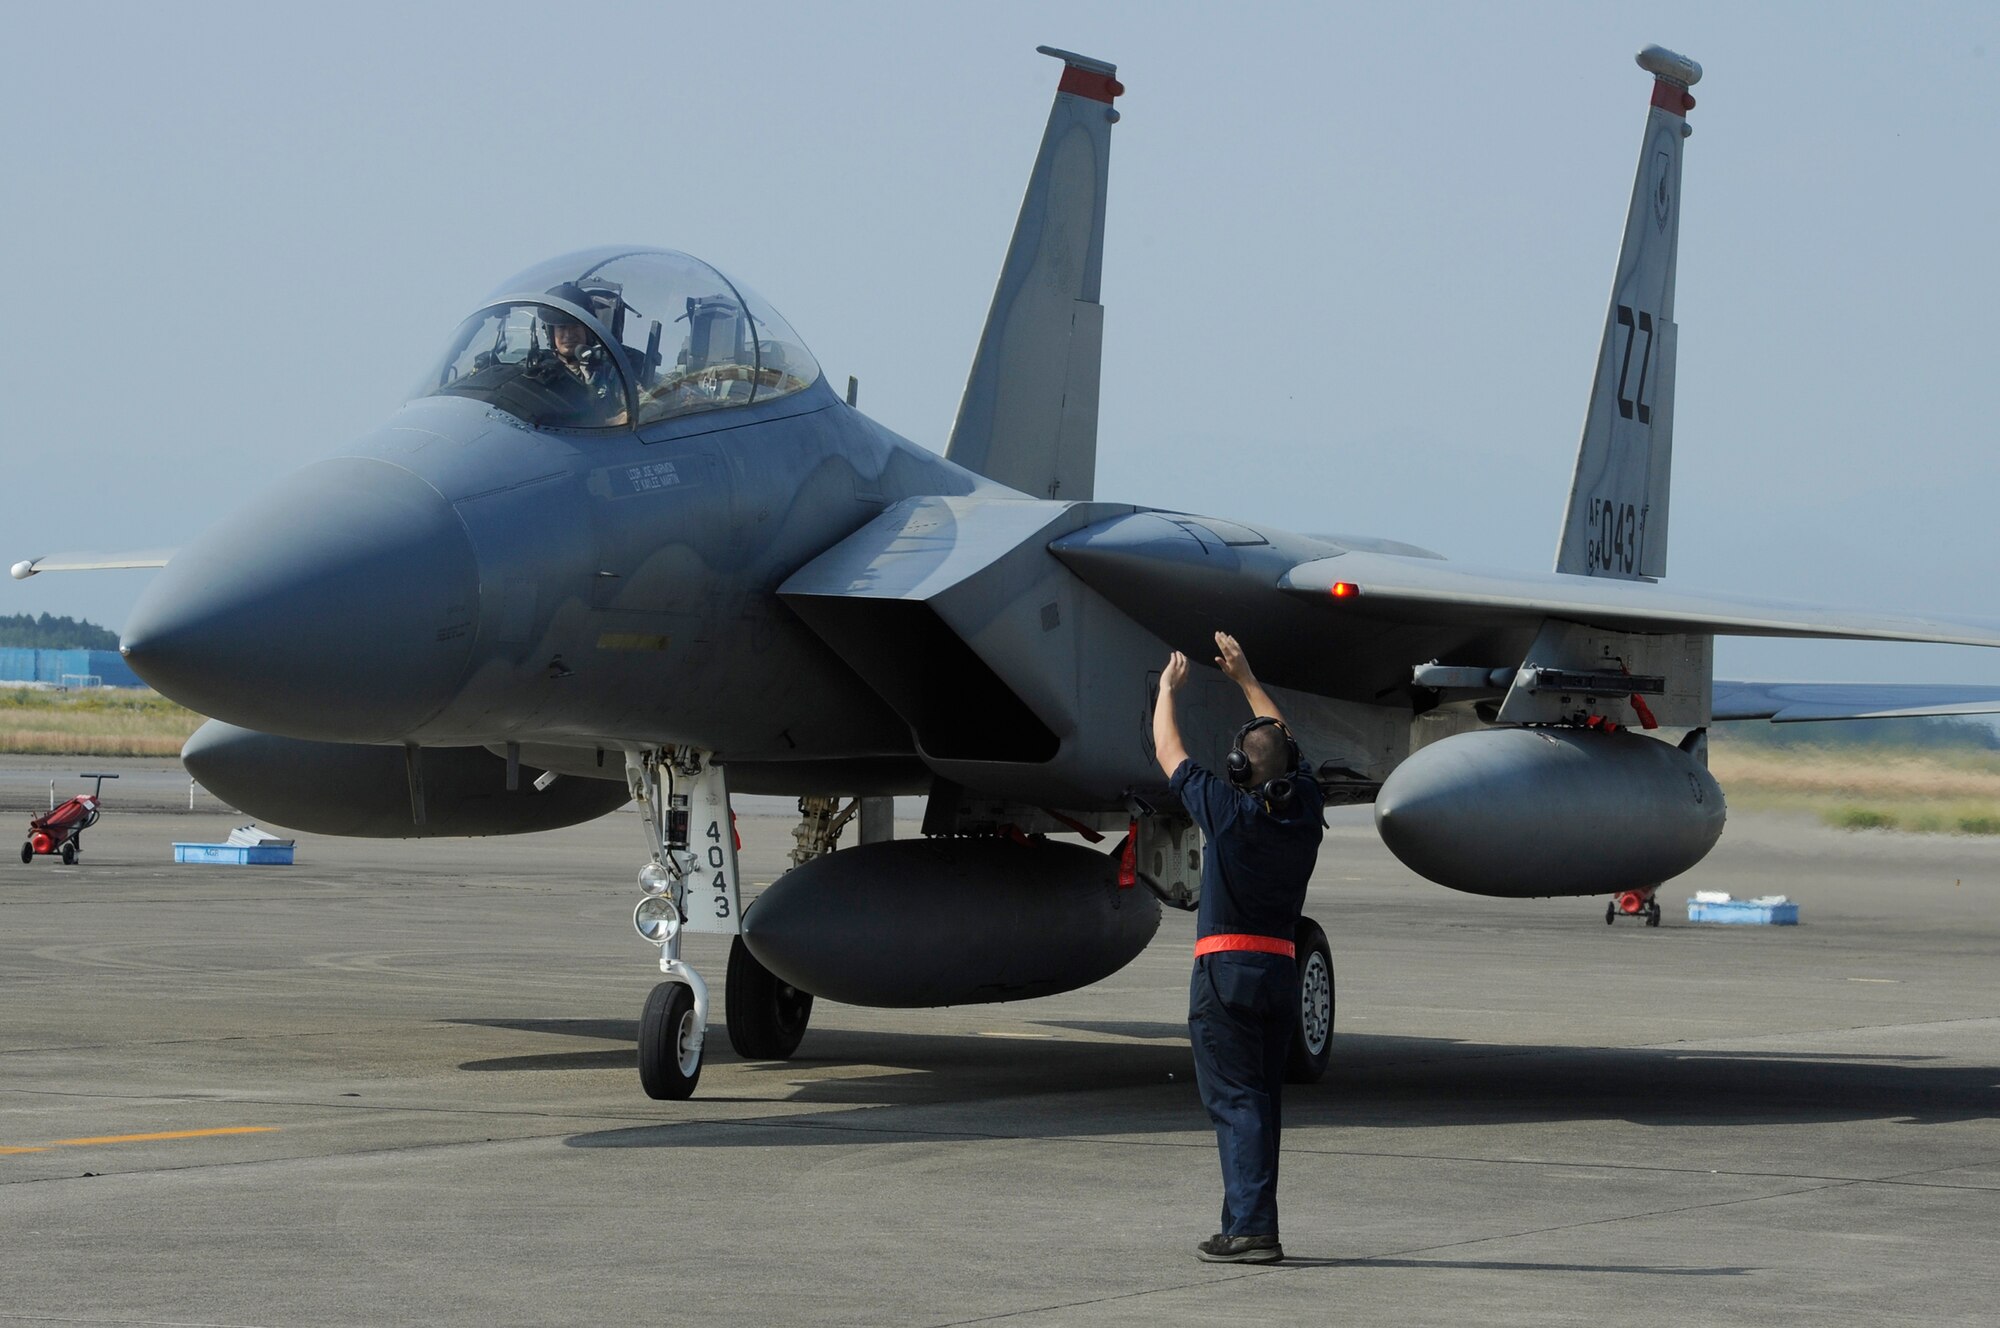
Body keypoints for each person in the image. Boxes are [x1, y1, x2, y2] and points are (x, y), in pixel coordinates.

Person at [1152, 630, 1326, 1264]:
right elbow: (1284, 745)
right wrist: (1247, 677)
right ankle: (1248, 1222)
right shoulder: (1304, 807)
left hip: (1226, 970)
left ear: (1236, 768)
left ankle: (1251, 1228)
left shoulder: (1227, 810)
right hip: (1280, 967)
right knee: (1261, 1104)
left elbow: (1167, 750)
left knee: (1236, 1102)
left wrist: (1166, 691)